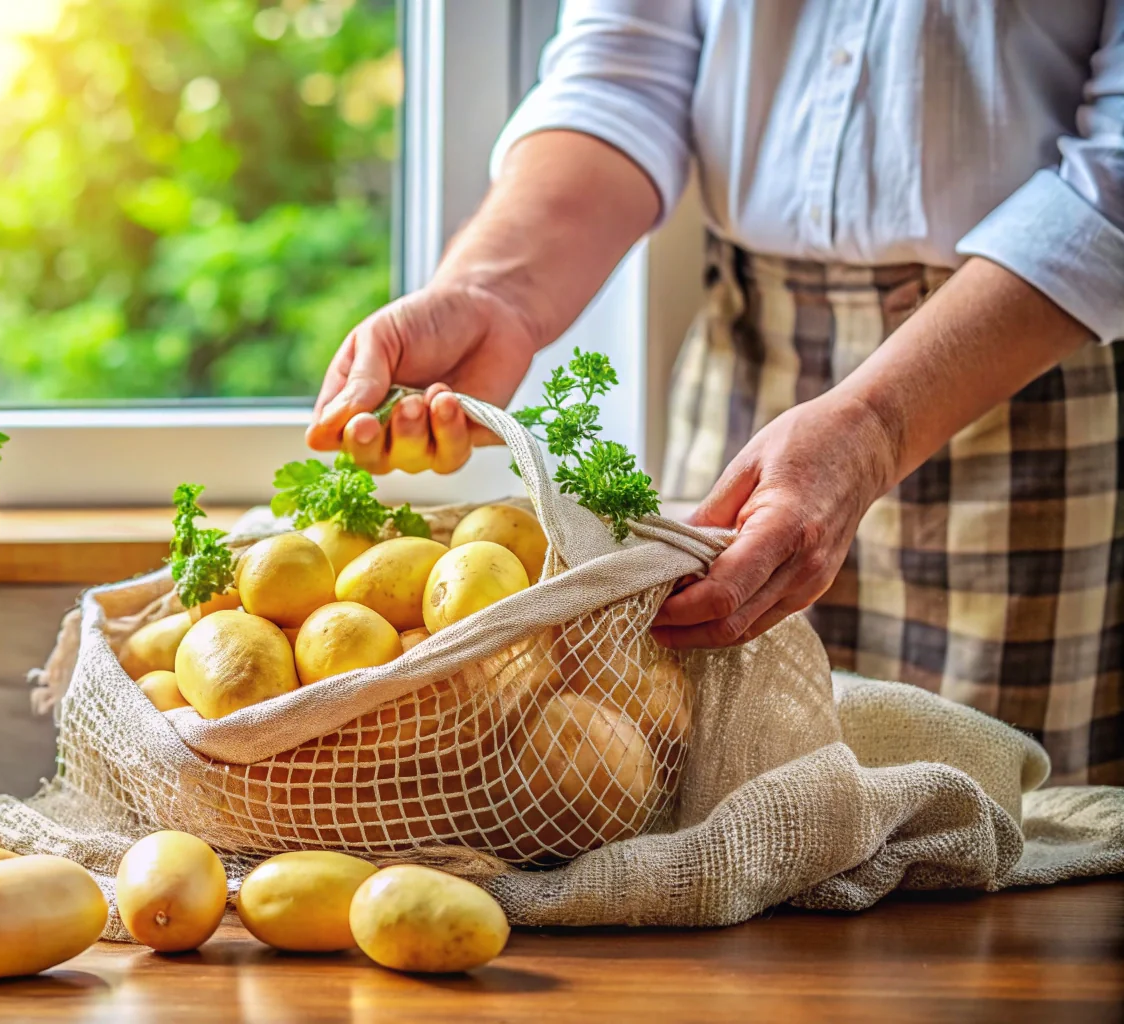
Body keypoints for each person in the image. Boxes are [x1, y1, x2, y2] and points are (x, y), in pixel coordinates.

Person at [307, 2, 1124, 784]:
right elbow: (622, 72)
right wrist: (497, 296)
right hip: (747, 376)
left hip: (1023, 378)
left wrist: (876, 423)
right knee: (711, 789)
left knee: (1001, 837)